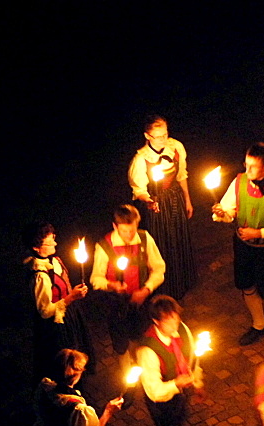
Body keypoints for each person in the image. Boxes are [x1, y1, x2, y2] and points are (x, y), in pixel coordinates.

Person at [212, 143, 264, 346]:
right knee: (246, 285)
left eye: (253, 166)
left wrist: (258, 232)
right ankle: (259, 325)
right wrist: (224, 213)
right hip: (243, 246)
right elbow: (230, 210)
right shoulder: (239, 182)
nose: (247, 170)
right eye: (246, 164)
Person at [138, 295, 204, 426]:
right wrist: (177, 384)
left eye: (176, 317)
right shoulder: (148, 351)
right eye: (169, 320)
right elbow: (155, 392)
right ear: (156, 321)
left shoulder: (182, 330)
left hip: (180, 393)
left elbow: (190, 358)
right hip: (163, 403)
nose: (175, 323)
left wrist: (196, 381)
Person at [91, 204, 166, 373]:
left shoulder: (145, 239)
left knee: (143, 339)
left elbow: (159, 268)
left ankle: (148, 373)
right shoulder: (104, 246)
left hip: (141, 302)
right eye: (124, 231)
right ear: (115, 226)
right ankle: (128, 383)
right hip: (116, 305)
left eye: (132, 230)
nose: (129, 235)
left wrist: (146, 289)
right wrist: (111, 285)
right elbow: (95, 279)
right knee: (121, 345)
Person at [128, 115, 196, 299]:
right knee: (163, 244)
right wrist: (149, 201)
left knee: (179, 238)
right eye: (158, 136)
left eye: (165, 134)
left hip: (174, 200)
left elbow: (182, 176)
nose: (163, 140)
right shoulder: (141, 159)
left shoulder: (176, 147)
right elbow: (139, 189)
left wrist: (187, 200)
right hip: (155, 204)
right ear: (147, 136)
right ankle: (167, 287)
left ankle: (184, 281)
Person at [23, 222, 93, 380]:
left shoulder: (54, 260)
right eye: (49, 242)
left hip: (70, 315)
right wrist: (71, 297)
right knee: (64, 360)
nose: (55, 242)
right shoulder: (39, 276)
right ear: (36, 248)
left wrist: (72, 291)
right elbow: (45, 311)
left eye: (53, 238)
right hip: (56, 326)